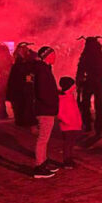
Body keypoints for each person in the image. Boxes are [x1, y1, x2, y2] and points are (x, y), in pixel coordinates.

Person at [76, 36, 102, 137]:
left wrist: (79, 83)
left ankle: (88, 124)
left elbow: (80, 71)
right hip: (97, 83)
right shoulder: (101, 57)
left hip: (89, 82)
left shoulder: (85, 57)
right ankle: (98, 127)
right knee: (98, 106)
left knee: (86, 105)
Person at [32, 46, 60, 178]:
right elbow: (43, 92)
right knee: (42, 139)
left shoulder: (44, 69)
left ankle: (43, 163)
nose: (55, 57)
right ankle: (39, 167)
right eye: (53, 55)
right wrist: (52, 103)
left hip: (46, 108)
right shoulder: (42, 71)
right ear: (46, 56)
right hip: (45, 110)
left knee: (44, 138)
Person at [6, 42, 37, 127]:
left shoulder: (30, 58)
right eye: (22, 48)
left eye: (25, 48)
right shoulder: (17, 62)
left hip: (26, 86)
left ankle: (26, 121)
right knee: (19, 105)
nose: (24, 49)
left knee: (27, 104)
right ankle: (21, 121)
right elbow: (15, 76)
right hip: (19, 87)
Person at [57, 76, 81, 168]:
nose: (74, 87)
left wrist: (78, 121)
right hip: (67, 125)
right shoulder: (62, 98)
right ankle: (66, 161)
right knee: (67, 143)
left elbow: (75, 110)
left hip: (73, 124)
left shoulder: (70, 96)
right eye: (73, 85)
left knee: (71, 143)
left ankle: (69, 159)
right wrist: (66, 121)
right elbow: (59, 112)